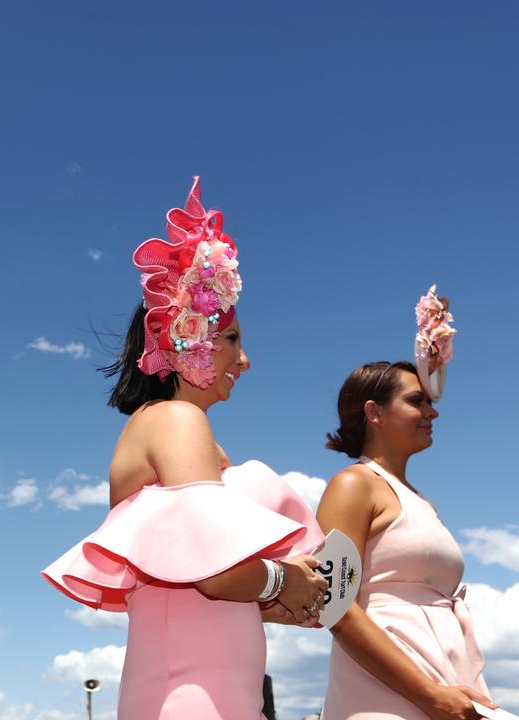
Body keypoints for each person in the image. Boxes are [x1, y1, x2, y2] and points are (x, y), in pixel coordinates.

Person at [43, 177, 330, 719]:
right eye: (233, 340)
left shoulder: (179, 430)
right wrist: (282, 579)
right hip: (191, 697)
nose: (245, 360)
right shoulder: (176, 420)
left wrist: (285, 595)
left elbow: (196, 586)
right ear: (189, 339)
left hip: (208, 691)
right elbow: (213, 574)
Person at [318, 287, 495, 720]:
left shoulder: (421, 502)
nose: (432, 412)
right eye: (417, 401)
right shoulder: (353, 485)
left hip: (444, 685)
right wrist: (429, 695)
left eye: (430, 401)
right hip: (388, 694)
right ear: (374, 413)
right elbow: (333, 604)